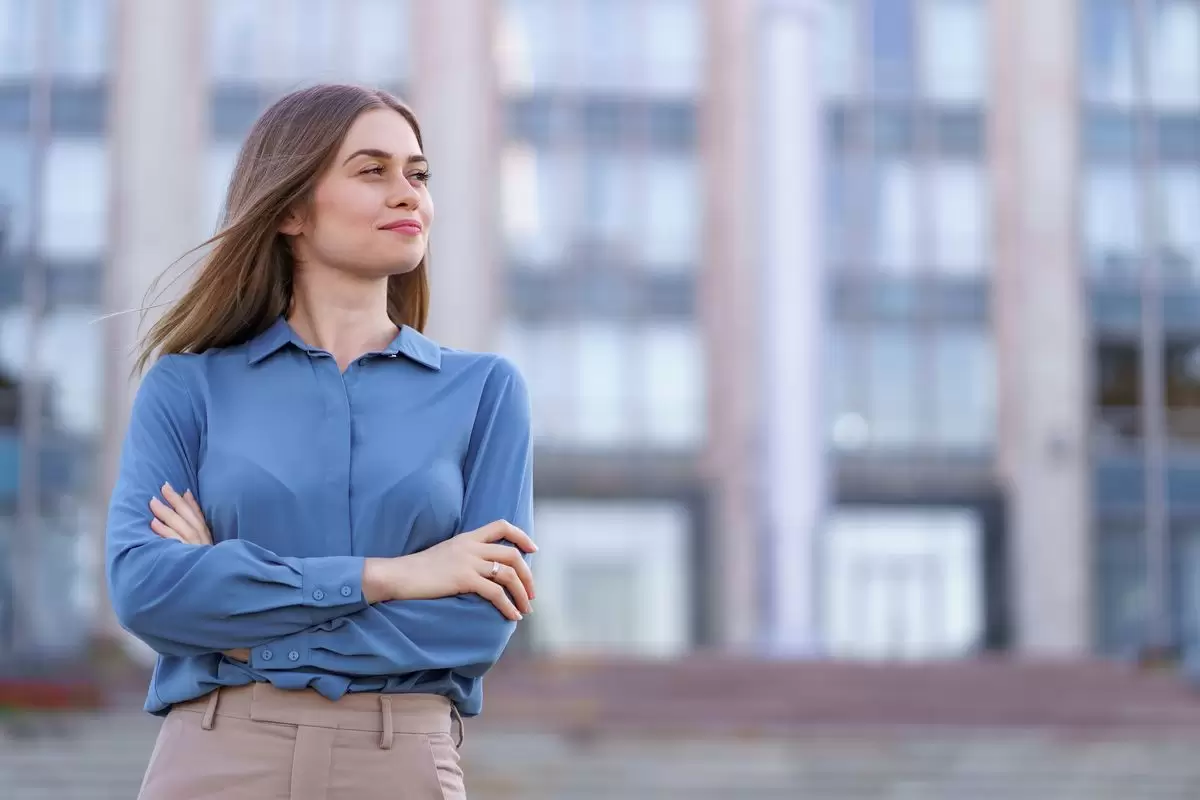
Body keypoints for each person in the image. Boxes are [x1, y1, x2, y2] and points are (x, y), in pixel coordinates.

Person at [105, 84, 537, 800]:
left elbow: (474, 622)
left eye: (418, 174)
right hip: (216, 758)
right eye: (373, 171)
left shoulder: (486, 391)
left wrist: (242, 629)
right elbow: (147, 590)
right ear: (291, 210)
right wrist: (395, 575)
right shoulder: (188, 387)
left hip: (400, 763)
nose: (409, 194)